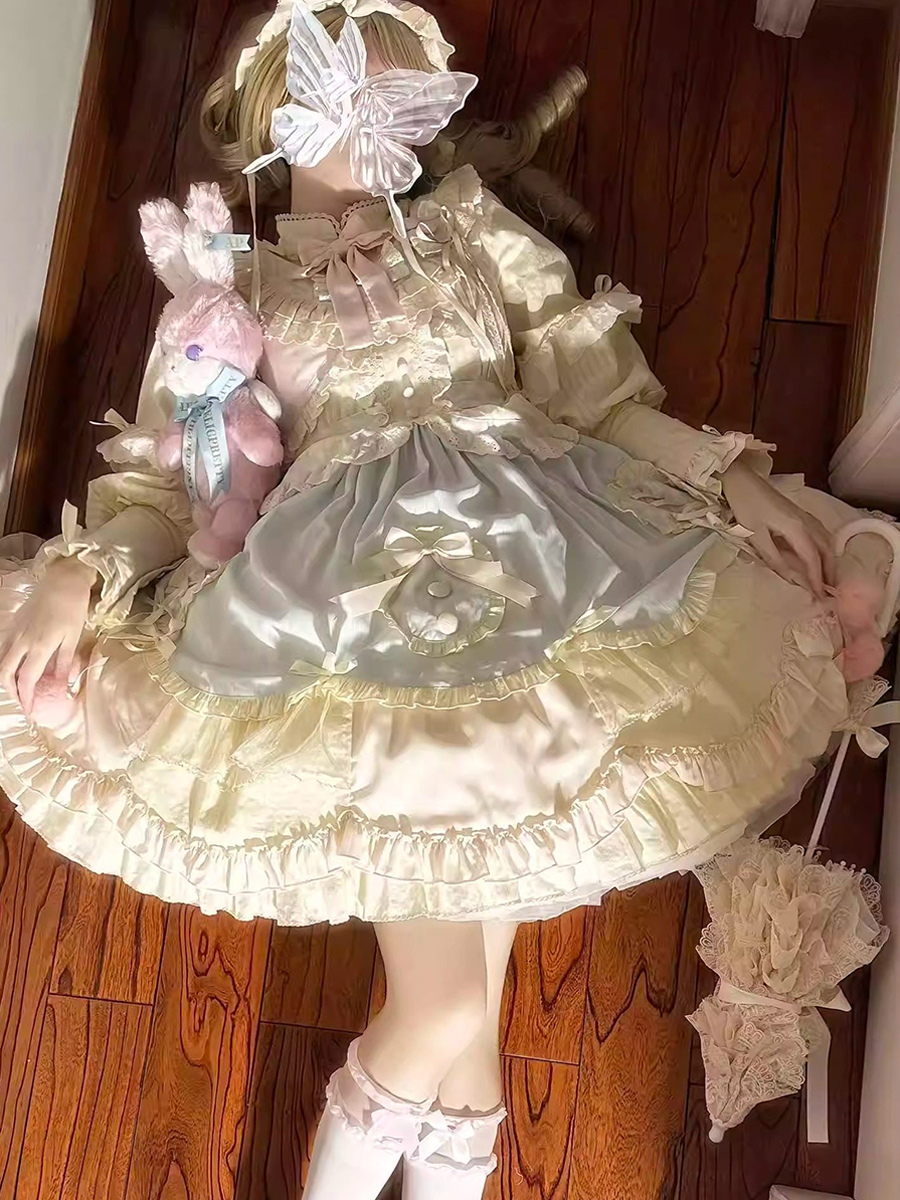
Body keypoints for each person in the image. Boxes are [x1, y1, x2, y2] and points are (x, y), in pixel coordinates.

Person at [0, 2, 876, 1195]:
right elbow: (168, 478)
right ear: (275, 98)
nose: (375, 115)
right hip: (347, 600)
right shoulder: (230, 284)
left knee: (471, 990)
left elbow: (599, 398)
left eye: (401, 92)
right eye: (346, 81)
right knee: (455, 1005)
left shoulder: (467, 226)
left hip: (545, 552)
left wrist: (730, 478)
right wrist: (78, 572)